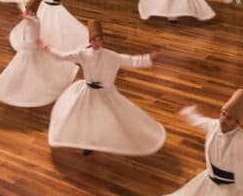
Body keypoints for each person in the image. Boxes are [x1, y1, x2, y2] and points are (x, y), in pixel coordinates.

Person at [43, 20, 163, 155]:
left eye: (99, 40)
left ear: (102, 41)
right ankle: (87, 143)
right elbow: (62, 56)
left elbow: (130, 60)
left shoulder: (111, 56)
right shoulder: (83, 54)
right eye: (94, 40)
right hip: (87, 92)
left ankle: (113, 137)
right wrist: (48, 49)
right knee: (87, 117)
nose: (96, 43)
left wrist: (148, 58)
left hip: (106, 93)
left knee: (112, 116)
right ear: (90, 41)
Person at [0, 0, 77, 107]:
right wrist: (19, 2)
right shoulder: (30, 17)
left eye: (28, 10)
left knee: (28, 68)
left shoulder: (35, 21)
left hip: (30, 48)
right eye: (26, 10)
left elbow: (30, 20)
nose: (26, 12)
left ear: (33, 11)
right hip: (26, 47)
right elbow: (25, 13)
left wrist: (24, 16)